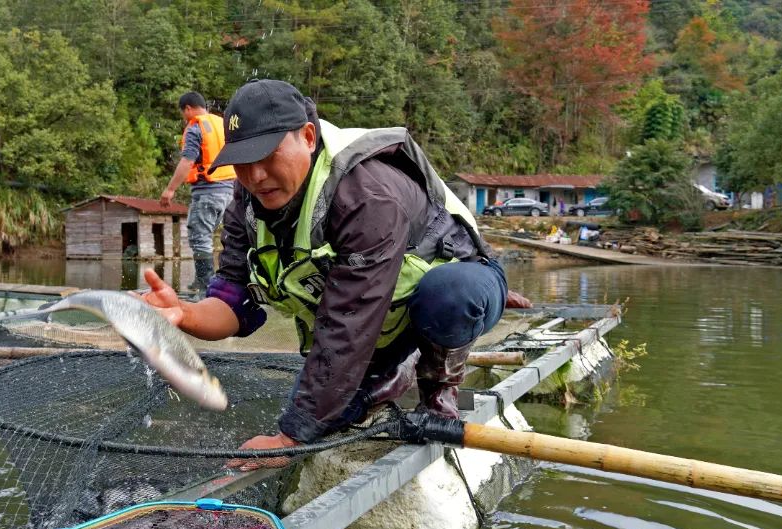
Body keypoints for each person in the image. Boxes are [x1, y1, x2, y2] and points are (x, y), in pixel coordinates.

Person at [142, 79, 531, 470]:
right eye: (243, 161)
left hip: (455, 287)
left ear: (308, 137)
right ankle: (395, 367)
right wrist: (184, 314)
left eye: (269, 155)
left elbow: (347, 326)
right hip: (378, 317)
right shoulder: (245, 205)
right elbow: (234, 304)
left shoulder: (364, 196)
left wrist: (289, 437)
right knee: (344, 410)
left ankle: (438, 388)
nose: (256, 175)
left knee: (450, 295)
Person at [159, 91, 236, 292]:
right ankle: (228, 281)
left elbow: (187, 161)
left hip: (208, 191)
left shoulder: (195, 128)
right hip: (230, 192)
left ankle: (205, 284)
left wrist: (170, 189)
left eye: (183, 112)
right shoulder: (222, 124)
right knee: (228, 237)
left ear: (188, 109)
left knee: (199, 236)